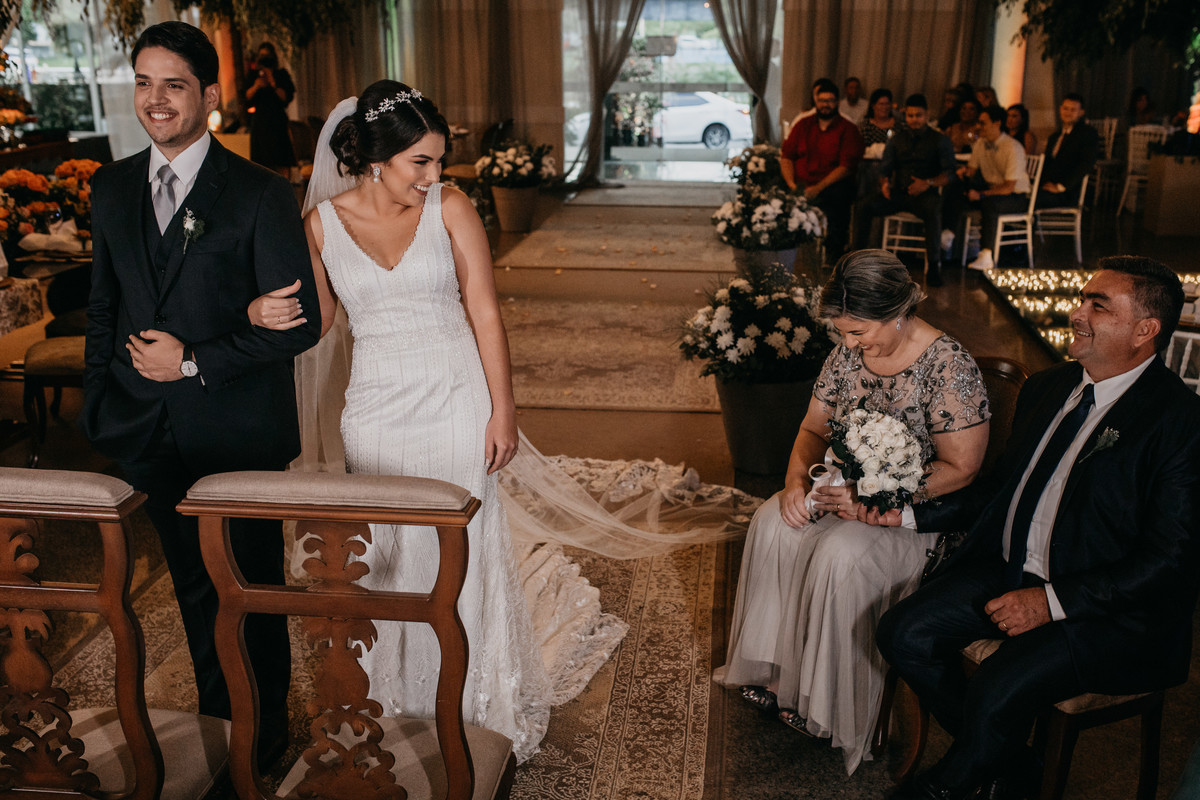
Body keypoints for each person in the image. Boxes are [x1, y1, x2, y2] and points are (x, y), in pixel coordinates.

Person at [249, 81, 745, 762]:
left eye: (437, 162)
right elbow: (321, 324)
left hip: (456, 399)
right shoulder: (320, 226)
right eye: (419, 162)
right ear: (375, 159)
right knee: (389, 558)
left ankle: (476, 699)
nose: (434, 176)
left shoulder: (450, 208)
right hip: (373, 409)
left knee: (465, 551)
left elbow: (484, 312)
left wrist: (502, 410)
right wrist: (257, 315)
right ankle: (395, 698)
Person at [81, 21, 319, 770]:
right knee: (190, 591)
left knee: (248, 594)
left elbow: (299, 326)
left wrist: (193, 362)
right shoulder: (112, 185)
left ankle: (264, 738)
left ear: (211, 97)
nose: (155, 100)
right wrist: (98, 405)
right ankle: (223, 733)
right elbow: (103, 308)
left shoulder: (259, 193)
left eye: (174, 85)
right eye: (144, 83)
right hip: (145, 431)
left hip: (236, 428)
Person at [877, 256, 1200, 800]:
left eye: (1099, 305)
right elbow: (1000, 490)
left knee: (999, 688)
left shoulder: (1180, 423)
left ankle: (946, 786)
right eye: (1082, 299)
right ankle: (1010, 762)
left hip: (1111, 612)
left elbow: (1171, 560)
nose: (1077, 313)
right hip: (1011, 569)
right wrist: (907, 513)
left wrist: (1050, 603)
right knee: (902, 633)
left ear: (1146, 331)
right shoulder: (1049, 387)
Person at [714, 249, 990, 774]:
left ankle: (825, 704)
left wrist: (876, 495)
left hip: (912, 513)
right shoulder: (845, 356)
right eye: (842, 332)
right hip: (840, 487)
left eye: (859, 332)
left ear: (899, 311)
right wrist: (796, 482)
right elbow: (813, 430)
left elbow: (962, 468)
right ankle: (777, 676)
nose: (849, 344)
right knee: (775, 522)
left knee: (842, 553)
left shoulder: (948, 366)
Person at [855, 94, 956, 286]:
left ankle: (934, 266)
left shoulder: (939, 140)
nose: (914, 120)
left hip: (925, 193)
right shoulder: (897, 138)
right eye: (910, 116)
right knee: (864, 205)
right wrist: (884, 183)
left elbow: (950, 173)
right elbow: (885, 168)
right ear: (905, 116)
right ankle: (856, 259)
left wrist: (928, 183)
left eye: (918, 115)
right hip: (899, 193)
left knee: (934, 210)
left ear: (926, 115)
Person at [781, 78, 865, 262]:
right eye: (822, 101)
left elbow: (847, 166)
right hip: (800, 183)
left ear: (837, 102)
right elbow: (786, 155)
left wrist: (818, 188)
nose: (825, 105)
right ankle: (784, 251)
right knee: (777, 193)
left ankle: (834, 254)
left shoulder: (848, 128)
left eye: (830, 101)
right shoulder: (803, 125)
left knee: (839, 196)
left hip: (832, 184)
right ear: (816, 102)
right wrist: (791, 184)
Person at [945, 104, 1028, 271]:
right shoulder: (981, 143)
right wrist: (963, 172)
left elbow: (1009, 187)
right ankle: (948, 232)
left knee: (990, 203)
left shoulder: (1013, 147)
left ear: (997, 123)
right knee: (955, 186)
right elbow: (972, 170)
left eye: (982, 123)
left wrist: (982, 194)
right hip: (993, 190)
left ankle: (986, 254)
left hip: (1016, 196)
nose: (978, 126)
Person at [1037, 93, 1099, 209]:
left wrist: (1060, 187)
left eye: (1073, 110)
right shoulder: (1055, 137)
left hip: (1067, 193)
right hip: (1046, 187)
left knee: (1028, 200)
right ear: (1060, 109)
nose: (1068, 113)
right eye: (1065, 108)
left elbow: (1086, 164)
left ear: (1081, 113)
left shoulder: (1087, 134)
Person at [245, 41, 298, 175]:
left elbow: (286, 97)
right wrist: (256, 86)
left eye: (267, 56)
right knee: (261, 165)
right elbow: (246, 97)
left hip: (277, 122)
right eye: (261, 56)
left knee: (282, 162)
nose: (264, 59)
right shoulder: (253, 75)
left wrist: (272, 80)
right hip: (260, 123)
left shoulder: (281, 74)